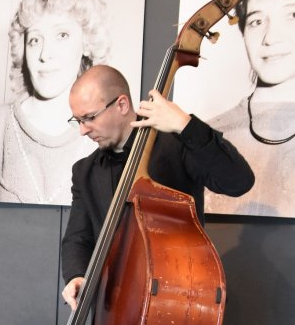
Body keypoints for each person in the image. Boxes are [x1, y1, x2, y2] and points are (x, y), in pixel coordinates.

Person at [60, 65, 254, 310]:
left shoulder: (176, 145)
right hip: (114, 312)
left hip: (175, 303)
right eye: (78, 120)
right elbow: (77, 237)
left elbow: (239, 181)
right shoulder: (85, 171)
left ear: (121, 105)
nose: (82, 130)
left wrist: (187, 126)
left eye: (89, 118)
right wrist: (76, 275)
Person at [0, 0, 110, 204]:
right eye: (35, 40)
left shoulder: (110, 137)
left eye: (62, 35)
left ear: (86, 42)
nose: (45, 54)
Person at [204, 0, 295, 217]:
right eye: (256, 21)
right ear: (243, 31)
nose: (270, 37)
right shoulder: (212, 136)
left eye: (292, 15)